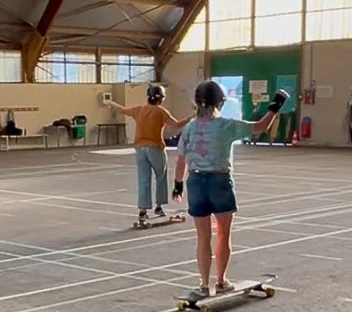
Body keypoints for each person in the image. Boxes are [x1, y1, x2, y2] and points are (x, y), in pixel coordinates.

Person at [172, 80, 288, 297]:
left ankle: (203, 284)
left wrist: (177, 185)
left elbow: (181, 161)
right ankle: (221, 281)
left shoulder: (189, 128)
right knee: (223, 234)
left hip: (195, 182)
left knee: (202, 237)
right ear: (220, 102)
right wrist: (276, 105)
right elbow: (260, 127)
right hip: (219, 181)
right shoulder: (226, 125)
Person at [110, 83, 190, 225]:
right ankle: (159, 206)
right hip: (155, 148)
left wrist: (110, 102)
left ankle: (143, 210)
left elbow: (121, 110)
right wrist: (193, 116)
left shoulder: (139, 110)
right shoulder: (161, 111)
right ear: (161, 98)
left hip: (140, 149)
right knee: (161, 176)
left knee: (143, 179)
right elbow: (177, 125)